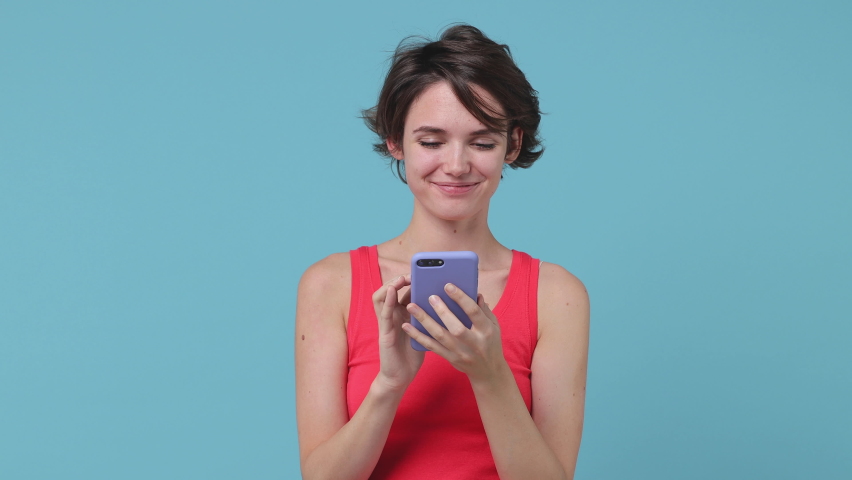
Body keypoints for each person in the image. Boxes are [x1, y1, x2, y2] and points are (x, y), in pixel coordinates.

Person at [295, 24, 589, 480]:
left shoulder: (557, 296)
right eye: (431, 142)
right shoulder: (330, 285)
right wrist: (389, 384)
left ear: (512, 145)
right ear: (396, 141)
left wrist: (490, 374)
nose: (455, 165)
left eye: (482, 142)